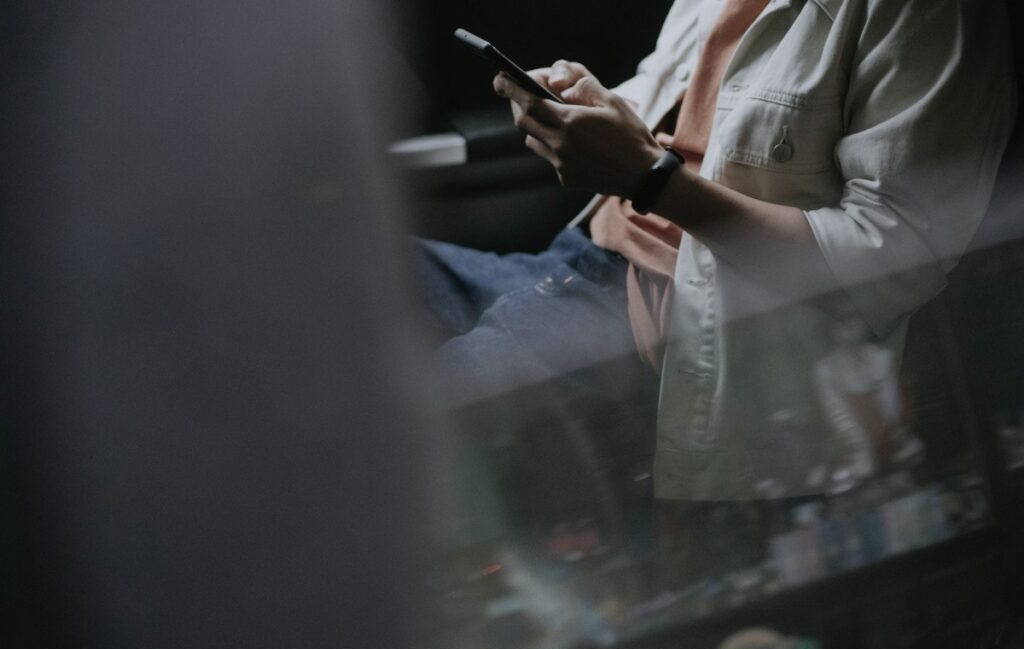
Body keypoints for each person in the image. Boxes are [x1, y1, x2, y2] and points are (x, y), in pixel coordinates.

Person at [418, 0, 1016, 509]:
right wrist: (582, 106)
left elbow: (890, 265)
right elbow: (678, 107)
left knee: (395, 428)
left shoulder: (933, 14)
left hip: (659, 331)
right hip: (578, 260)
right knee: (341, 279)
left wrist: (652, 181)